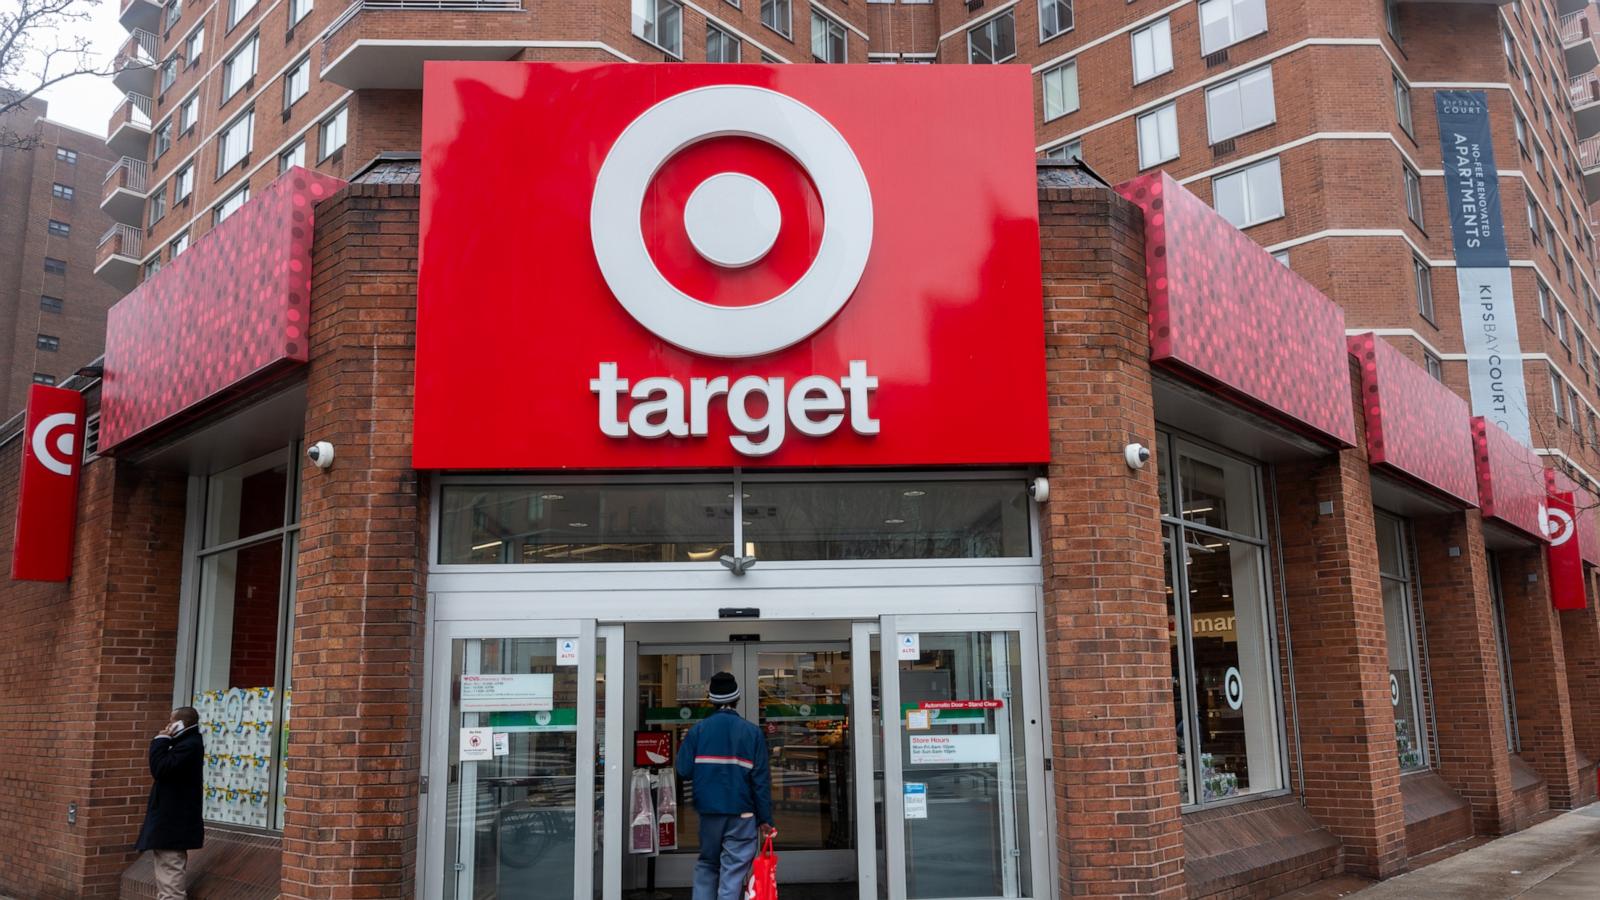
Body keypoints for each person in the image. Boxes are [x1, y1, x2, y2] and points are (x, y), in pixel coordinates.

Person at [675, 671, 774, 900]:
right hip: (743, 813)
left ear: (711, 699)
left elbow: (683, 770)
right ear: (736, 699)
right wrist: (765, 819)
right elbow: (760, 782)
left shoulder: (697, 731)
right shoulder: (752, 733)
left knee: (708, 863)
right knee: (733, 869)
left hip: (709, 811)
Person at [135, 707, 205, 900]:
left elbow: (160, 768)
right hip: (170, 823)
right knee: (166, 875)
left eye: (170, 720)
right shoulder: (184, 743)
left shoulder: (189, 745)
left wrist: (161, 740)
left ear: (179, 724)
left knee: (171, 879)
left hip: (173, 823)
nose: (167, 725)